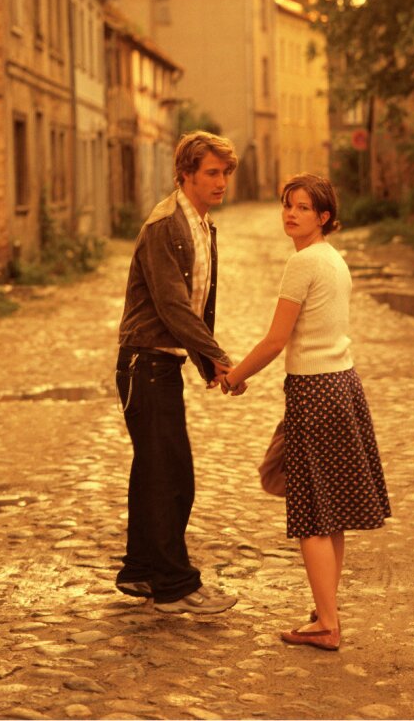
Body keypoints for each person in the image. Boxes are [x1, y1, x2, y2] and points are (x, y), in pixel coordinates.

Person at [221, 173, 390, 650]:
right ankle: (325, 609)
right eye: (287, 205)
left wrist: (234, 376)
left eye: (302, 207)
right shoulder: (333, 260)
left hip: (314, 390)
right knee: (330, 511)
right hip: (342, 384)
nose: (291, 214)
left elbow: (276, 340)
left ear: (323, 217)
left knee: (313, 513)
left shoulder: (303, 263)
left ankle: (327, 625)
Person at [115, 130, 245, 615]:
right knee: (172, 476)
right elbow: (173, 307)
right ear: (185, 173)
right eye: (211, 172)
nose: (221, 182)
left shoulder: (203, 226)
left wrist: (206, 362)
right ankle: (174, 585)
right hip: (144, 363)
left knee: (154, 471)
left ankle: (141, 570)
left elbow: (198, 304)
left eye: (225, 173)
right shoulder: (164, 225)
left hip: (161, 363)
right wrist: (220, 358)